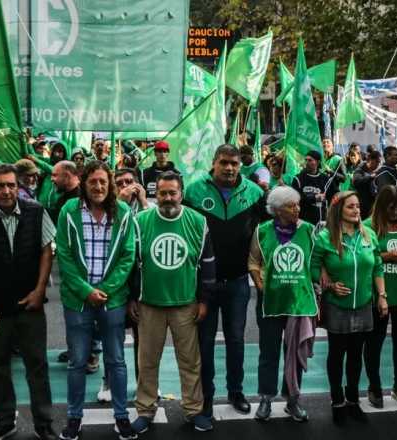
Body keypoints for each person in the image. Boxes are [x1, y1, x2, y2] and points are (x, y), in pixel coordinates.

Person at [0, 165, 57, 440]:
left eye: (11, 185)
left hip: (30, 304)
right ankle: (5, 422)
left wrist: (40, 290)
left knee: (37, 365)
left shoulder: (36, 211)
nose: (6, 191)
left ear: (19, 187)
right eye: (0, 186)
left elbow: (47, 250)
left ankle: (44, 423)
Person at [55, 160, 138, 440]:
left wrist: (105, 289)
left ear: (110, 183)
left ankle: (121, 416)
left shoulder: (123, 212)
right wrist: (85, 290)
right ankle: (74, 417)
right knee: (77, 361)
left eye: (103, 181)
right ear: (84, 183)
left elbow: (128, 256)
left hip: (111, 300)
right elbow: (64, 256)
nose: (99, 187)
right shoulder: (69, 211)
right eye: (93, 182)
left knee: (116, 360)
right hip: (78, 301)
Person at [183, 144, 267, 417]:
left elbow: (266, 232)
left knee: (236, 339)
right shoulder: (194, 191)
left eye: (234, 163)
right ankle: (206, 396)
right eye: (224, 163)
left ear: (240, 165)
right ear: (214, 163)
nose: (229, 168)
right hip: (204, 285)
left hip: (238, 282)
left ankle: (236, 391)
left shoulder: (255, 193)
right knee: (204, 342)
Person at [129, 172, 215, 433]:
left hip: (185, 303)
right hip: (149, 304)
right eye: (162, 193)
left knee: (190, 362)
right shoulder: (140, 221)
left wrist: (204, 301)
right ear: (155, 194)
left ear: (181, 194)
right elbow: (131, 263)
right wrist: (132, 297)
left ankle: (193, 410)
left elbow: (208, 265)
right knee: (147, 362)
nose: (167, 198)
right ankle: (145, 410)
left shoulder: (198, 222)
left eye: (172, 193)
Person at [312, 191, 385, 423]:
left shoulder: (369, 235)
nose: (357, 210)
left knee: (356, 355)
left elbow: (378, 267)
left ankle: (353, 400)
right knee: (336, 354)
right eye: (351, 207)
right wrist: (330, 285)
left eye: (358, 206)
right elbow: (313, 266)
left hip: (364, 304)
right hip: (337, 306)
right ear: (338, 211)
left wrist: (382, 296)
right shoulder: (325, 238)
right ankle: (337, 401)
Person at [248, 186, 318, 422]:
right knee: (268, 353)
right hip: (271, 303)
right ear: (277, 210)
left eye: (297, 204)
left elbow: (318, 262)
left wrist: (323, 282)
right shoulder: (262, 231)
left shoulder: (308, 230)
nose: (297, 208)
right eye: (291, 205)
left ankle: (292, 400)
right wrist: (260, 284)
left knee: (295, 352)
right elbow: (253, 262)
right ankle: (266, 399)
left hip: (299, 303)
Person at [364, 186, 397, 408]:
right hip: (378, 295)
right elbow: (365, 256)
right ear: (381, 206)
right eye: (391, 207)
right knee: (374, 343)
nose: (395, 212)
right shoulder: (368, 227)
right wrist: (390, 256)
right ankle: (374, 386)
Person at [291, 150, 341, 226]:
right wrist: (314, 198)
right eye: (306, 160)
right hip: (303, 222)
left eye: (310, 160)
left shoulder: (325, 179)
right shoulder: (298, 179)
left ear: (317, 162)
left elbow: (335, 196)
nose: (307, 162)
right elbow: (295, 199)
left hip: (321, 223)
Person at [352, 150, 382, 217]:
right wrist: (370, 177)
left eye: (379, 162)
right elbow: (356, 182)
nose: (378, 164)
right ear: (370, 160)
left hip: (374, 205)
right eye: (377, 162)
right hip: (363, 206)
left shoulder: (377, 171)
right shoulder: (360, 170)